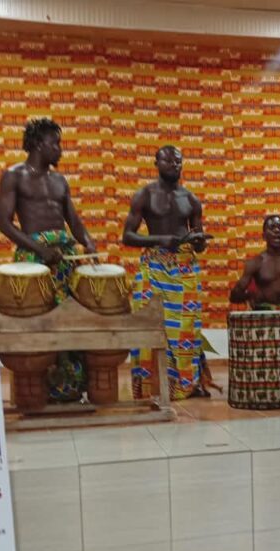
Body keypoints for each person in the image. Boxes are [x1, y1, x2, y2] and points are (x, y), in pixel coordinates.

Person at [0, 117, 97, 401]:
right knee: (40, 320)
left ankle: (71, 387)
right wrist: (40, 250)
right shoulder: (14, 176)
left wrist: (88, 242)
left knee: (69, 318)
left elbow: (73, 220)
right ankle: (40, 387)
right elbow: (5, 224)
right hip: (34, 259)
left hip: (64, 257)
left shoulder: (60, 181)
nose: (60, 150)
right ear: (39, 144)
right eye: (56, 144)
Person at [122, 145, 212, 400]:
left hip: (184, 268)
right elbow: (127, 236)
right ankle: (149, 386)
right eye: (169, 160)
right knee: (148, 323)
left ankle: (185, 385)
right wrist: (161, 239)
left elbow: (198, 239)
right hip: (153, 266)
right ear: (156, 163)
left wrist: (198, 242)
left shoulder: (191, 199)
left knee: (186, 329)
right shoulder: (144, 195)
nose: (175, 164)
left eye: (179, 161)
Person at [229, 215, 280, 311]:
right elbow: (233, 297)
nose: (277, 230)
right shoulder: (255, 263)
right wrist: (250, 295)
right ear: (264, 236)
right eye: (272, 228)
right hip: (264, 314)